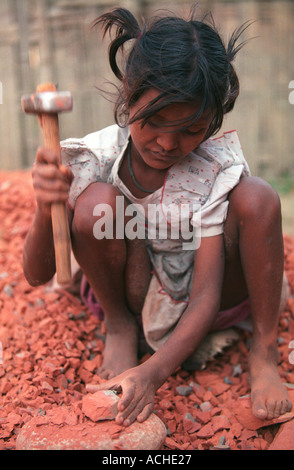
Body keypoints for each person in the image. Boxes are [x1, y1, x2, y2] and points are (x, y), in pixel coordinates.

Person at [23, 6, 292, 427]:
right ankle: (119, 325)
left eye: (190, 129)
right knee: (96, 206)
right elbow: (38, 275)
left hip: (207, 296)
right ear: (127, 93)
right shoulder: (96, 158)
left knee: (259, 198)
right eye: (154, 121)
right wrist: (46, 204)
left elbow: (204, 295)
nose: (168, 143)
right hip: (134, 285)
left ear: (213, 121)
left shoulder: (211, 170)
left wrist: (152, 373)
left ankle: (264, 349)